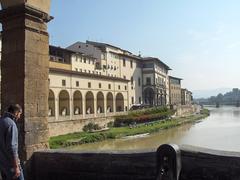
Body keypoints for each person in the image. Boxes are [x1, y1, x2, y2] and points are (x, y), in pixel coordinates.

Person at [0, 104, 24, 180]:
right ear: (16, 112)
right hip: (11, 166)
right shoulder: (11, 124)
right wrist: (16, 167)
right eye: (20, 114)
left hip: (2, 164)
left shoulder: (1, 120)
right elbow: (12, 148)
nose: (19, 117)